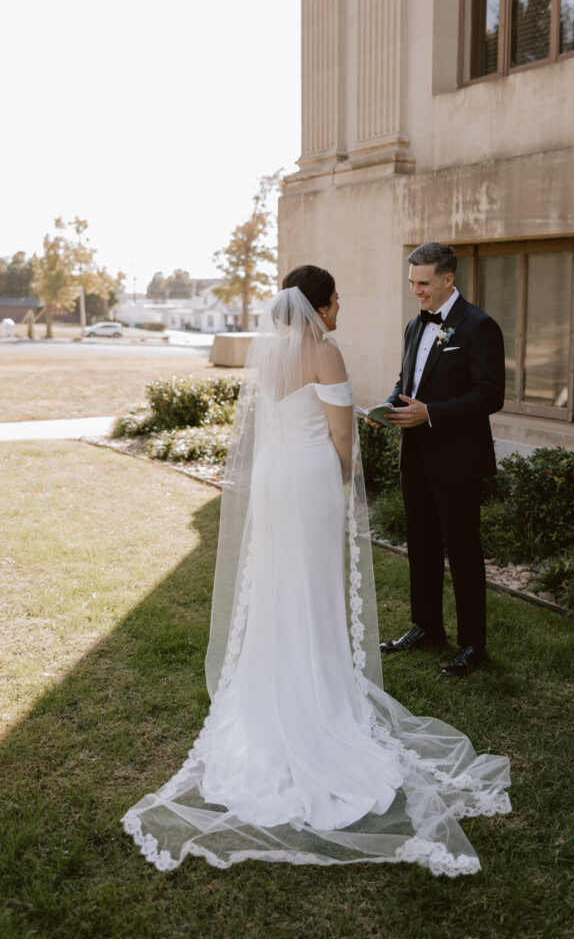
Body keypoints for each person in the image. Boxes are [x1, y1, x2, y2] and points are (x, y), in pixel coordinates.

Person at [121, 264, 510, 876]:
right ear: (322, 304)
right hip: (309, 478)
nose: (340, 308)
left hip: (276, 476)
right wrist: (346, 483)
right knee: (313, 585)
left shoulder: (272, 351)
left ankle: (275, 687)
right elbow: (340, 437)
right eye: (337, 299)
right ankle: (318, 704)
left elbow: (276, 422)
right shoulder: (325, 352)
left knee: (280, 583)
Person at [381, 242, 505, 677]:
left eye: (424, 283)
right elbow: (408, 379)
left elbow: (491, 394)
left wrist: (431, 413)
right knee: (422, 545)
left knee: (463, 551)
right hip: (414, 455)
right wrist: (389, 406)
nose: (416, 291)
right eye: (412, 282)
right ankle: (426, 627)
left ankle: (474, 645)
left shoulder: (479, 326)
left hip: (457, 460)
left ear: (448, 279)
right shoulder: (415, 325)